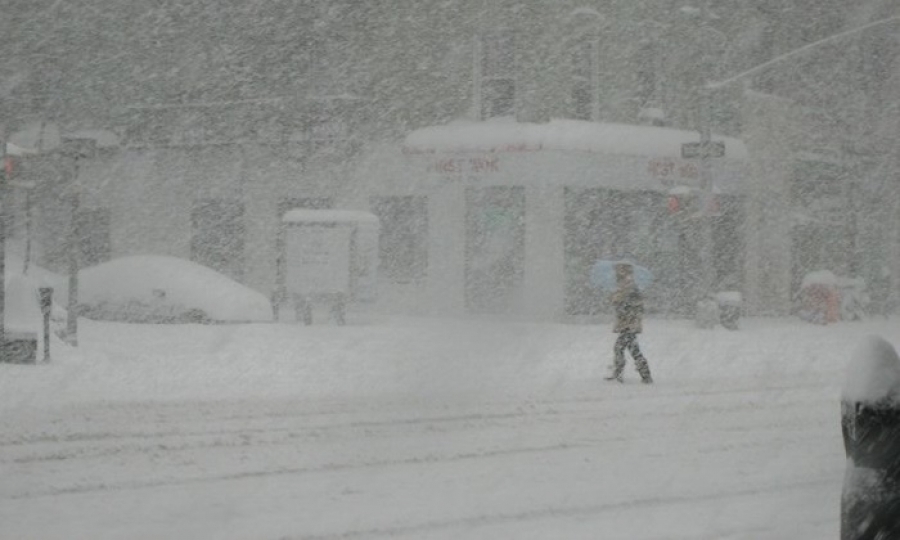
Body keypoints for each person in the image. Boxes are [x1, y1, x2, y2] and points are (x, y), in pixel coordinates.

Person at [605, 263, 653, 384]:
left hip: (629, 324)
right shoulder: (623, 286)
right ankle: (644, 374)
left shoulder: (629, 286)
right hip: (627, 323)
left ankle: (621, 374)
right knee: (632, 349)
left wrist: (619, 303)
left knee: (620, 348)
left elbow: (635, 305)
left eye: (618, 271)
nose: (616, 273)